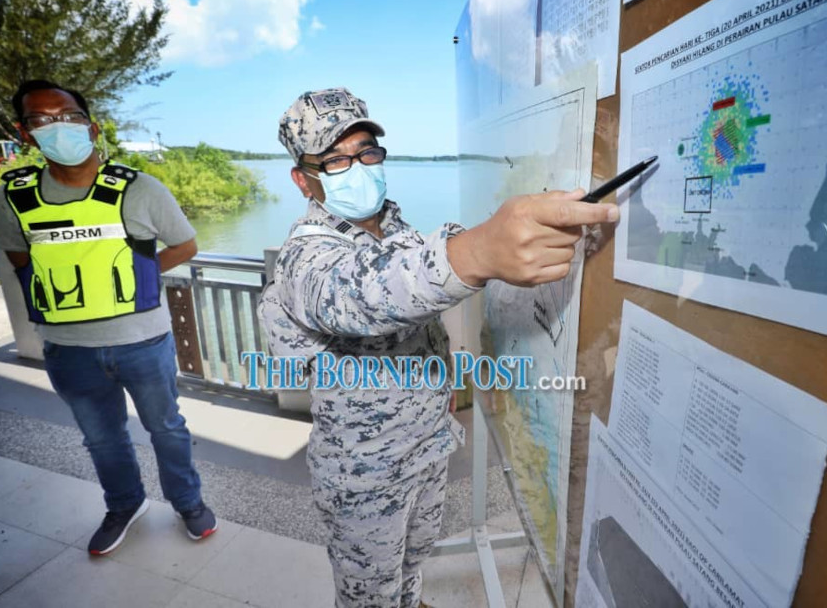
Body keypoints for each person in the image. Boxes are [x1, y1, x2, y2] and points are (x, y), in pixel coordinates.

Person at [259, 87, 618, 607]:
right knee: (369, 593)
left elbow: (416, 305)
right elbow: (362, 294)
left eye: (366, 152)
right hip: (366, 471)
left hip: (426, 444)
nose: (358, 165)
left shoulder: (394, 226)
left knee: (413, 557)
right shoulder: (306, 256)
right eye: (335, 159)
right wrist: (479, 250)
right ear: (303, 179)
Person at [0, 79, 217, 555]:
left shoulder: (140, 188)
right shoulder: (13, 197)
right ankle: (124, 504)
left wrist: (135, 277)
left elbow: (187, 244)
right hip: (68, 349)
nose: (58, 127)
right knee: (100, 437)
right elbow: (16, 256)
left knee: (166, 428)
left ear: (91, 127)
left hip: (143, 341)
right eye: (41, 120)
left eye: (68, 117)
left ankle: (188, 502)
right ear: (25, 133)